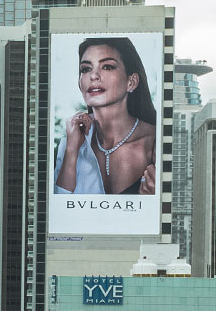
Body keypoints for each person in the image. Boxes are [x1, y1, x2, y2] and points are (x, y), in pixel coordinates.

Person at [54, 37, 159, 195]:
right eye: (85, 69)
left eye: (107, 67)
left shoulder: (156, 141)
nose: (93, 76)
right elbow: (57, 210)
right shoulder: (70, 143)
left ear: (132, 82)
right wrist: (71, 151)